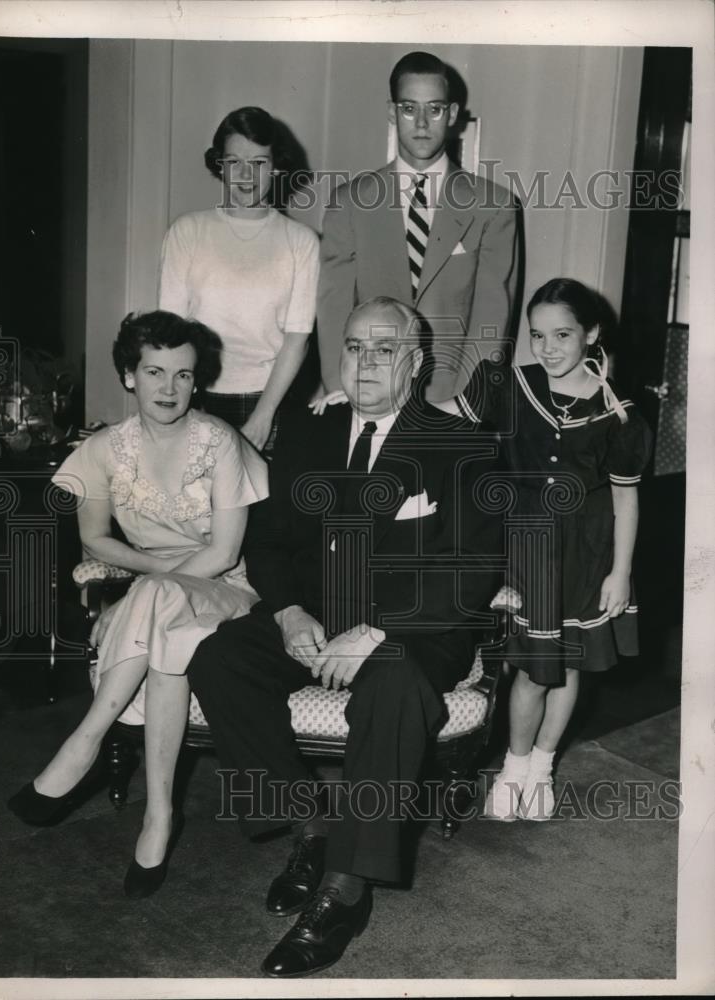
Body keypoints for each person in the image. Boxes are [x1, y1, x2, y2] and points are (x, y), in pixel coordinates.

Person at [187, 296, 502, 977]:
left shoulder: (461, 446)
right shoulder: (307, 436)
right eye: (355, 347)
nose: (365, 363)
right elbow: (270, 543)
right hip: (317, 619)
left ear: (414, 364)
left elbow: (472, 571)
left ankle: (345, 888)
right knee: (218, 657)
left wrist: (377, 630)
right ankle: (311, 825)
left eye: (384, 349)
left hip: (412, 630)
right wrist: (290, 611)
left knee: (394, 684)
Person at [7, 311, 268, 897]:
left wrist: (152, 586)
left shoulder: (220, 443)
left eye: (182, 375)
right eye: (154, 372)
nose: (169, 389)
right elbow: (95, 538)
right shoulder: (103, 449)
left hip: (227, 590)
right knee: (165, 621)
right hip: (162, 601)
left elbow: (225, 551)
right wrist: (157, 578)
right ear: (130, 376)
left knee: (160, 603)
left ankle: (85, 742)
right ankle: (159, 817)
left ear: (197, 381)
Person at [449, 278, 653, 821]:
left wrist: (621, 572)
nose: (548, 348)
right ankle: (513, 766)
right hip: (525, 548)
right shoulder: (508, 386)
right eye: (537, 335)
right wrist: (367, 398)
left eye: (562, 334)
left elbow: (625, 501)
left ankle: (541, 768)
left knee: (569, 663)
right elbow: (441, 419)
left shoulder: (619, 413)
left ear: (591, 333)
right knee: (534, 667)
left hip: (587, 552)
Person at [317, 50, 519, 404]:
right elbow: (333, 310)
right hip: (366, 393)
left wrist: (468, 402)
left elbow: (492, 316)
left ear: (453, 114)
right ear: (391, 112)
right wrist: (340, 388)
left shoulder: (494, 206)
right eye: (409, 108)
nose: (422, 122)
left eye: (435, 109)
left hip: (450, 396)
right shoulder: (349, 203)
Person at [158, 106, 319, 453]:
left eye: (259, 163)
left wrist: (263, 416)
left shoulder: (301, 241)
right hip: (197, 396)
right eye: (234, 162)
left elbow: (298, 339)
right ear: (220, 165)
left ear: (276, 167)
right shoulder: (187, 231)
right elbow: (170, 331)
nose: (246, 175)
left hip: (269, 401)